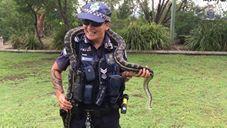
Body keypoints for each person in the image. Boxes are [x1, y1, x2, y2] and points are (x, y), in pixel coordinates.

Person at [51, 1, 150, 128]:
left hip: (108, 116)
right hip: (78, 116)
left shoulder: (117, 46)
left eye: (95, 23)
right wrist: (60, 95)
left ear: (107, 25)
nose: (89, 27)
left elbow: (122, 75)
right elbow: (55, 69)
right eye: (86, 22)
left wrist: (132, 73)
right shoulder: (75, 42)